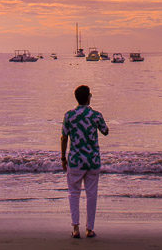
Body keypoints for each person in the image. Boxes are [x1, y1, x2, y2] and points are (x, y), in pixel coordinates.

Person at [61, 84, 109, 238]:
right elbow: (105, 131)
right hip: (92, 160)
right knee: (91, 194)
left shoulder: (69, 115)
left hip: (75, 160)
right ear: (88, 97)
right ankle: (89, 229)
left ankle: (75, 228)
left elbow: (64, 137)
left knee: (73, 193)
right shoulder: (96, 115)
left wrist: (63, 157)